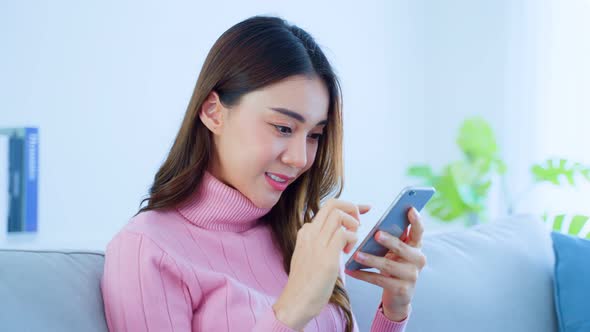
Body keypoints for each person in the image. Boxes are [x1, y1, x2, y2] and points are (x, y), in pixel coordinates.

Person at [101, 15, 426, 332]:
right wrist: (291, 312)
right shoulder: (146, 250)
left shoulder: (305, 236)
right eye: (283, 127)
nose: (300, 159)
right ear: (213, 112)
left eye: (314, 135)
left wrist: (393, 313)